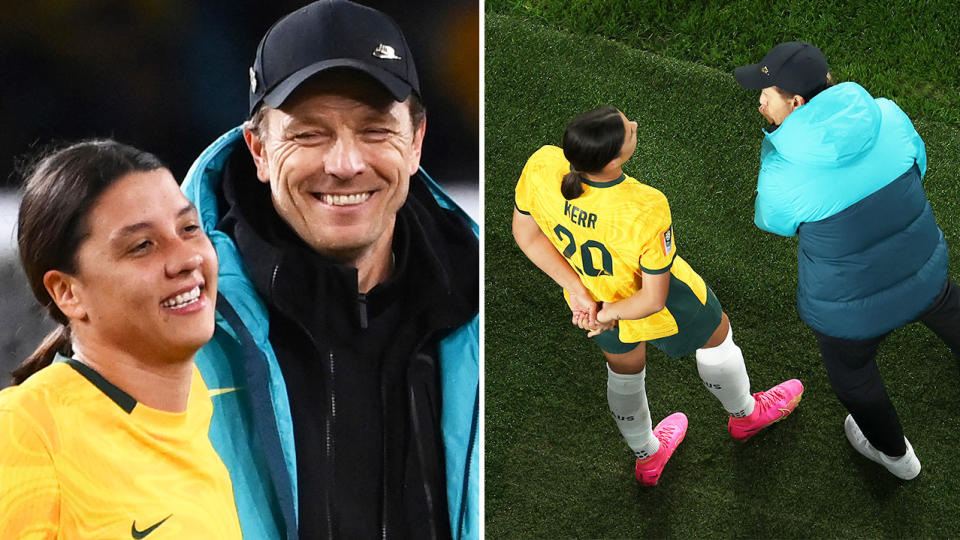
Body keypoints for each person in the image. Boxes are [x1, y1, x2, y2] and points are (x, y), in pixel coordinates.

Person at [180, 1, 479, 538]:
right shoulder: (172, 317)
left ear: (415, 143)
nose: (344, 165)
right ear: (259, 150)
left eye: (374, 131)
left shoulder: (487, 307)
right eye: (309, 135)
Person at [512, 106, 803, 486]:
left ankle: (648, 458)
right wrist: (606, 314)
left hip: (595, 299)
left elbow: (527, 235)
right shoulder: (645, 205)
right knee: (718, 337)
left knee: (624, 373)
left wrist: (581, 294)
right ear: (614, 160)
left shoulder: (541, 165)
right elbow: (653, 299)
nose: (634, 125)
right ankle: (746, 416)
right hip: (654, 301)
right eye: (629, 131)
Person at [734, 41, 960, 480]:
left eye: (767, 92)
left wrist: (777, 158)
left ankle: (898, 458)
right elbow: (920, 164)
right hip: (924, 269)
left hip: (848, 311)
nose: (759, 100)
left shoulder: (783, 170)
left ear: (796, 102)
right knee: (946, 303)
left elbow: (773, 222)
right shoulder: (890, 114)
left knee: (852, 376)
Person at [0, 140, 241, 537]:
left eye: (189, 228)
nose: (187, 259)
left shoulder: (206, 410)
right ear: (67, 292)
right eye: (142, 245)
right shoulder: (28, 431)